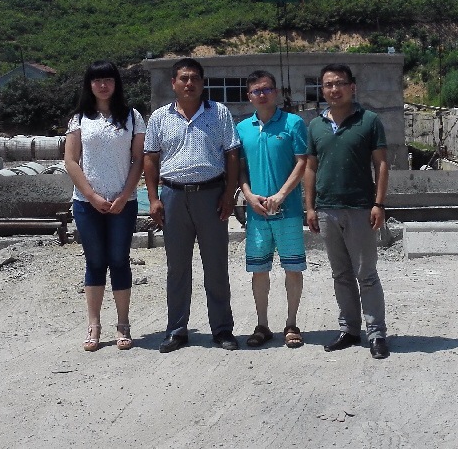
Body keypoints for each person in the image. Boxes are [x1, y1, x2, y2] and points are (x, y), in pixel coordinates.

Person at [143, 58, 241, 353]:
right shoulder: (160, 117)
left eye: (195, 78)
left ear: (202, 82)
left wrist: (228, 195)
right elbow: (150, 158)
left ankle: (222, 329)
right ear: (173, 83)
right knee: (177, 268)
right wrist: (153, 198)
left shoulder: (219, 113)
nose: (189, 83)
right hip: (173, 197)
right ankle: (177, 330)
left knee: (216, 267)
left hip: (211, 196)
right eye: (183, 78)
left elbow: (232, 155)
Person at [304, 63, 390, 359]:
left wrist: (378, 203)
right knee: (340, 274)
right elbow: (310, 168)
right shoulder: (315, 126)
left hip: (360, 209)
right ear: (323, 89)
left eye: (340, 83)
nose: (334, 89)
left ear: (352, 87)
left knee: (366, 274)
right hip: (327, 210)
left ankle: (376, 333)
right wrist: (310, 207)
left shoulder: (369, 121)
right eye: (328, 84)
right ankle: (351, 330)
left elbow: (381, 164)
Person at [64, 60, 146, 352]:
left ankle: (123, 323)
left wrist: (125, 194)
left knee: (120, 260)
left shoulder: (133, 117)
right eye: (96, 79)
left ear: (116, 83)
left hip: (124, 202)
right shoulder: (78, 119)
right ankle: (94, 324)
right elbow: (71, 161)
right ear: (89, 84)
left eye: (108, 79)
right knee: (95, 262)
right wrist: (92, 195)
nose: (102, 84)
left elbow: (138, 160)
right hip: (87, 203)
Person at [236, 71, 308, 349]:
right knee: (259, 270)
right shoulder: (242, 128)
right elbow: (240, 168)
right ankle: (262, 324)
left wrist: (280, 195)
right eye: (256, 91)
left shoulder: (293, 123)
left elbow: (302, 163)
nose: (262, 94)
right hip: (256, 213)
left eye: (266, 89)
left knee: (292, 267)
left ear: (275, 92)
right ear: (249, 96)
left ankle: (291, 323)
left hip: (287, 210)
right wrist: (248, 195)